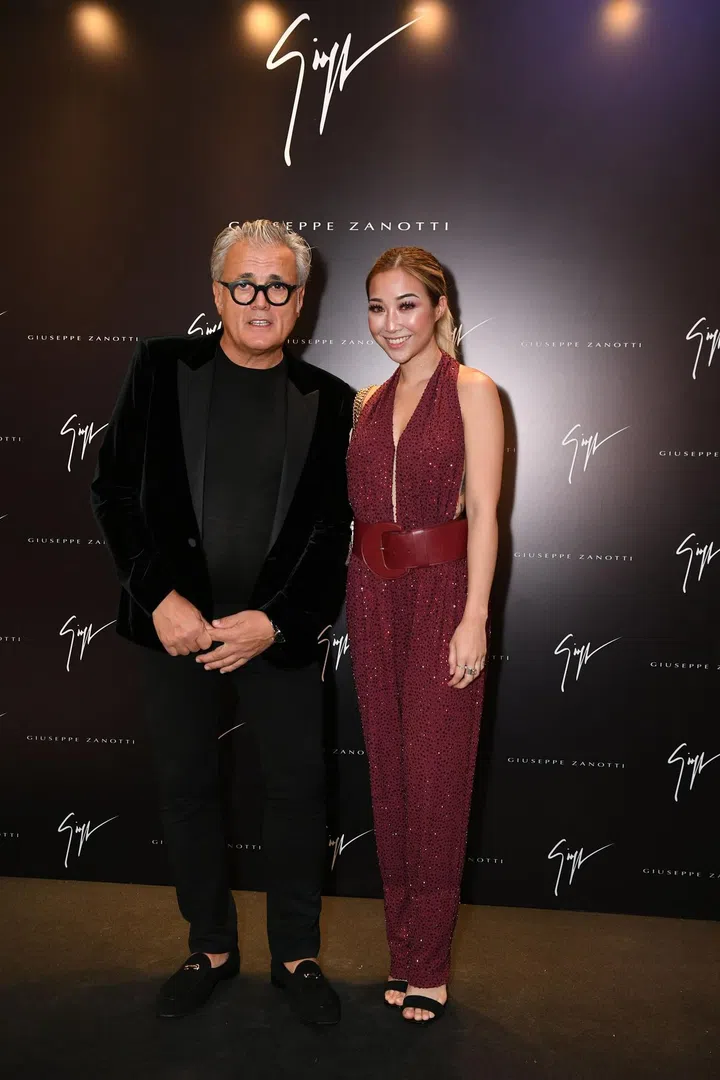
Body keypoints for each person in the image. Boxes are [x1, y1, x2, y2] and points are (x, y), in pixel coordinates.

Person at [91, 219, 354, 1025]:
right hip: (177, 629)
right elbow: (114, 492)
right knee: (188, 786)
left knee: (297, 791)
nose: (259, 300)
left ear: (300, 300)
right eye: (244, 283)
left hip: (274, 637)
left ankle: (297, 955)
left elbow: (330, 535)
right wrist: (159, 599)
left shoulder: (333, 400)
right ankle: (208, 947)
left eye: (278, 286)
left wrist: (274, 623)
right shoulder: (161, 366)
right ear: (217, 292)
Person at [345, 247, 504, 1024]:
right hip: (370, 598)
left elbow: (487, 514)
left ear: (439, 307)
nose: (390, 323)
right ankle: (402, 950)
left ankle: (430, 966)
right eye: (377, 308)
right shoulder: (365, 402)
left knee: (436, 781)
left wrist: (475, 616)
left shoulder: (473, 390)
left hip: (443, 595)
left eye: (406, 304)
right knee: (391, 780)